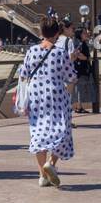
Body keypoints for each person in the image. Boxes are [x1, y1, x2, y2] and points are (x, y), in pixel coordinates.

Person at [22, 17, 77, 187]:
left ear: (41, 32)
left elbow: (24, 74)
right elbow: (71, 77)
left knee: (39, 133)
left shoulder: (31, 51)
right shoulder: (60, 53)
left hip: (36, 97)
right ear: (57, 33)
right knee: (62, 131)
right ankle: (51, 164)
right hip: (57, 96)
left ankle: (42, 175)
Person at [73, 27, 95, 113]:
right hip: (80, 69)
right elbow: (77, 54)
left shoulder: (79, 42)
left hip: (80, 68)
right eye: (84, 33)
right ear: (80, 34)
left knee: (79, 88)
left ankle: (78, 106)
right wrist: (87, 58)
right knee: (79, 88)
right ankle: (79, 107)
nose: (86, 34)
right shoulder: (79, 43)